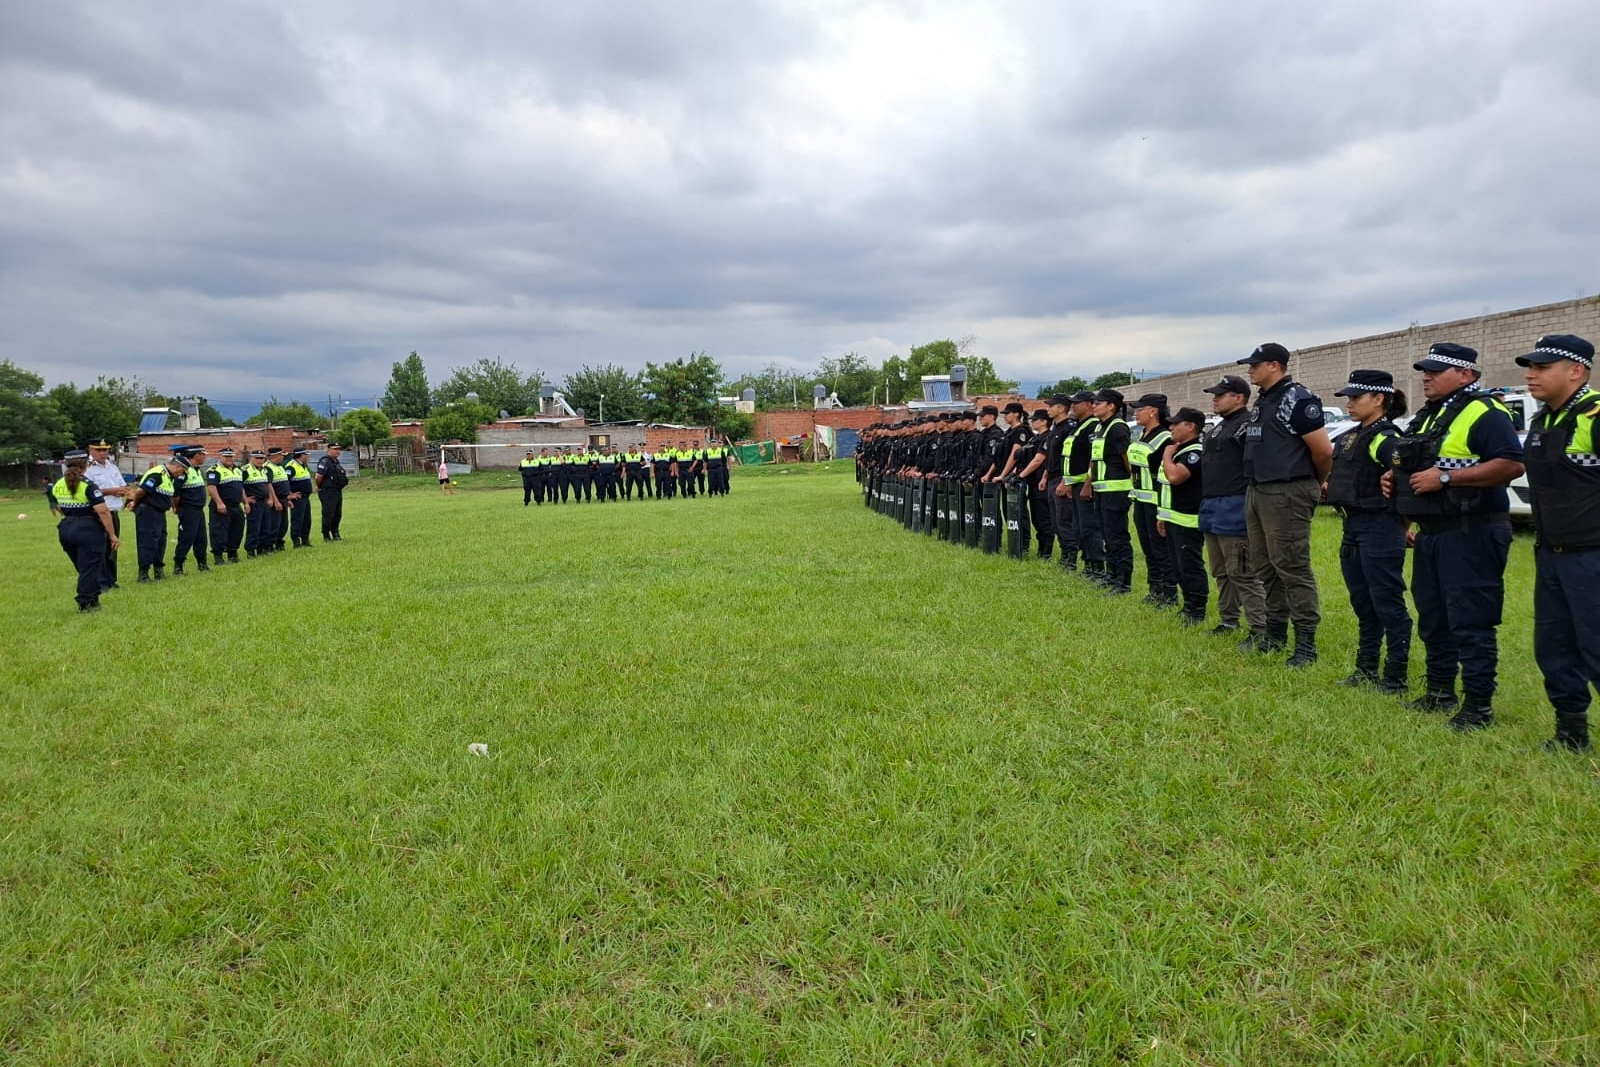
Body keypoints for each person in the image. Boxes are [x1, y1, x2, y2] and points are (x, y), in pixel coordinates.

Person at [1385, 342, 1523, 731]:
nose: (1426, 377)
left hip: (1472, 530)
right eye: (1425, 371)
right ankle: (1439, 691)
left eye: (1436, 371)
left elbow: (1512, 464)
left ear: (1466, 374)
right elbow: (1419, 462)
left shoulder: (1485, 411)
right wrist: (1394, 480)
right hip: (1432, 533)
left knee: (1471, 620)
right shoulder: (1429, 415)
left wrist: (1446, 478)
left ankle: (1478, 706)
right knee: (1434, 617)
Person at [1517, 334, 1600, 751]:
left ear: (1576, 371)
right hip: (1552, 553)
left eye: (1542, 367)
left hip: (1592, 556)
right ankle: (1571, 732)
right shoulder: (1543, 420)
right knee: (1554, 647)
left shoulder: (1594, 416)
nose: (1531, 375)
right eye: (1530, 367)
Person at [1238, 342, 1333, 667]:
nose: (1250, 370)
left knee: (1292, 566)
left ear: (1275, 365)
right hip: (1258, 490)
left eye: (1256, 364)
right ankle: (1275, 634)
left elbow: (1323, 451)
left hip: (1286, 490)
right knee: (1265, 565)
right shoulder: (1265, 398)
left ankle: (1305, 644)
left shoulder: (1297, 398)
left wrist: (1314, 482)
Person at [1326, 370, 1411, 692]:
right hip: (1353, 525)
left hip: (1379, 526)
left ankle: (1395, 676)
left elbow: (1404, 479)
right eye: (1348, 398)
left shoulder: (1384, 438)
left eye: (1355, 397)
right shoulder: (1353, 435)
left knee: (1387, 602)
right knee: (1363, 602)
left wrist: (1403, 526)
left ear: (1378, 399)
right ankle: (1366, 669)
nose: (1349, 403)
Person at [1199, 375, 1265, 637]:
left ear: (1239, 398)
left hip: (1235, 508)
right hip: (1212, 507)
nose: (1215, 399)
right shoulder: (1219, 427)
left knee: (1243, 572)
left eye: (1220, 395)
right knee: (1221, 571)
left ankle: (1261, 628)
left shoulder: (1247, 426)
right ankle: (1228, 620)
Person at [49, 449, 120, 611]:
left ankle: (93, 597)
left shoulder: (58, 484)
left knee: (84, 567)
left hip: (66, 527)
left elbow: (57, 506)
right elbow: (103, 511)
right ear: (86, 465)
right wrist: (112, 534)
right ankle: (86, 602)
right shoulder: (88, 485)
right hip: (88, 528)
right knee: (90, 568)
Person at [1156, 408, 1208, 625]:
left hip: (1189, 519)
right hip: (1173, 516)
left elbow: (1175, 477)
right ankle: (1188, 605)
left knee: (1190, 566)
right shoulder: (1181, 449)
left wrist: (1166, 455)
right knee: (1178, 566)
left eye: (1176, 424)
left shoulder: (1195, 451)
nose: (1171, 427)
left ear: (1190, 426)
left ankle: (1196, 609)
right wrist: (1163, 516)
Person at [1129, 394, 1175, 606]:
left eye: (1140, 409)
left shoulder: (1166, 437)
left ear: (1153, 411)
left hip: (1156, 501)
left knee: (1160, 549)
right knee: (1148, 548)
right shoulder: (1143, 434)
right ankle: (1155, 589)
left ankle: (1169, 593)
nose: (1136, 413)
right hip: (1140, 499)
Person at [1088, 389, 1133, 593]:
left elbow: (1126, 459)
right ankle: (1111, 574)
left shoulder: (1117, 428)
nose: (1094, 406)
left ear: (1111, 406)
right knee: (1107, 534)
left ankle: (1123, 581)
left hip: (1116, 490)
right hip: (1101, 490)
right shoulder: (1101, 426)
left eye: (1098, 403)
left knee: (1117, 536)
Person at [126, 452, 187, 580]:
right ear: (178, 467)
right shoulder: (158, 474)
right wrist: (135, 504)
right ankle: (143, 574)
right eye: (183, 471)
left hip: (159, 512)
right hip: (149, 511)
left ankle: (158, 570)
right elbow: (141, 491)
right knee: (148, 541)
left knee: (160, 541)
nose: (183, 474)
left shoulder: (168, 476)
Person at [1067, 391, 1104, 579]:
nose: (1073, 406)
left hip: (1085, 485)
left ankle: (1097, 566)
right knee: (1079, 527)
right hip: (1075, 484)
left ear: (1089, 404)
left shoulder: (1093, 426)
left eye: (1077, 403)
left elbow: (1093, 457)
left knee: (1089, 527)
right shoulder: (1078, 426)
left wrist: (1087, 484)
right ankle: (1088, 562)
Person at [84, 437, 127, 592]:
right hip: (98, 513)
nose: (103, 453)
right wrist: (110, 491)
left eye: (105, 450)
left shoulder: (112, 467)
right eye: (99, 450)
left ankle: (111, 579)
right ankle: (101, 581)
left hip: (113, 512)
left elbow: (122, 485)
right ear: (91, 450)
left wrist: (123, 491)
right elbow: (87, 490)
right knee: (100, 548)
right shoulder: (88, 469)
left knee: (112, 547)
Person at [171, 444, 211, 574]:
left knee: (201, 538)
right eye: (203, 455)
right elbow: (175, 492)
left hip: (198, 510)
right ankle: (178, 566)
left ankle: (202, 564)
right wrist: (176, 507)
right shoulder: (185, 471)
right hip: (188, 510)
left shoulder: (197, 470)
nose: (205, 457)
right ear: (197, 455)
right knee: (186, 537)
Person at [206, 447, 246, 563]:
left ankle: (232, 554)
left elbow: (240, 488)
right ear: (220, 457)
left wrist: (245, 502)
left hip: (236, 505)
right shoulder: (214, 470)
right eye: (226, 456)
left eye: (231, 456)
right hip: (222, 505)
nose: (229, 459)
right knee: (219, 531)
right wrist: (219, 503)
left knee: (237, 530)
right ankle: (218, 556)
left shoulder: (237, 470)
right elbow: (211, 487)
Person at [241, 449, 278, 556]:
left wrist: (270, 498)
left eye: (261, 458)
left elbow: (267, 485)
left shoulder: (264, 470)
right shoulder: (245, 470)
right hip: (254, 503)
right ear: (251, 458)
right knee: (254, 527)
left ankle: (262, 549)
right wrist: (245, 500)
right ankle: (251, 550)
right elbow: (239, 486)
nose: (259, 460)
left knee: (265, 526)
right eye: (256, 458)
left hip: (264, 502)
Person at [314, 442, 348, 541]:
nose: (338, 451)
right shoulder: (325, 461)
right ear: (329, 450)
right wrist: (319, 486)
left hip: (337, 490)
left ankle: (335, 532)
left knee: (337, 513)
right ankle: (326, 534)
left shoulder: (336, 461)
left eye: (339, 449)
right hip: (327, 491)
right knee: (328, 513)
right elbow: (318, 476)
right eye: (335, 449)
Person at [285, 447, 316, 546]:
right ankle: (296, 541)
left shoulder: (303, 465)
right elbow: (285, 482)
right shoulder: (291, 466)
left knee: (307, 520)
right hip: (298, 498)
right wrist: (290, 494)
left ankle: (305, 540)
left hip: (305, 497)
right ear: (301, 455)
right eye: (306, 455)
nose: (308, 457)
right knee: (297, 519)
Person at [264, 447, 289, 550]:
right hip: (276, 499)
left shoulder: (280, 467)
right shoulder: (268, 467)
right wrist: (275, 501)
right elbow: (269, 485)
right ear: (276, 456)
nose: (283, 457)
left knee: (284, 524)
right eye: (282, 455)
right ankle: (270, 545)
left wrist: (287, 498)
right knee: (274, 524)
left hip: (283, 499)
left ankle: (279, 541)